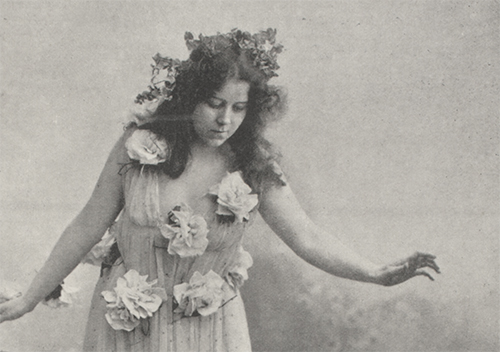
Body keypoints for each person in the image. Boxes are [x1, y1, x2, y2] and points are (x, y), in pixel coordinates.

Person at [0, 29, 439, 351]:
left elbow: (306, 236)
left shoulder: (252, 165)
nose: (226, 120)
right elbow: (86, 224)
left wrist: (373, 272)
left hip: (211, 331)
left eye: (239, 108)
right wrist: (28, 299)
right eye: (214, 104)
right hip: (128, 328)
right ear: (190, 97)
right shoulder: (138, 148)